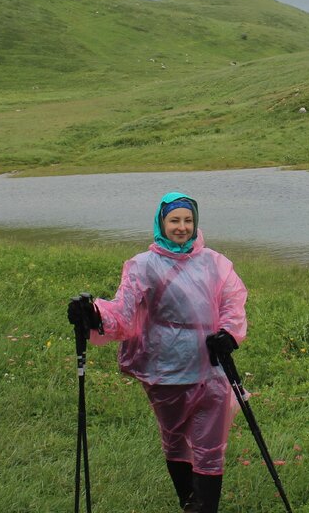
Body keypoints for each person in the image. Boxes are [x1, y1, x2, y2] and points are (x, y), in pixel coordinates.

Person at [68, 191, 248, 513]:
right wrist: (93, 313)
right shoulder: (143, 265)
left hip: (210, 366)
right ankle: (188, 501)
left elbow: (232, 300)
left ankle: (205, 508)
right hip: (164, 369)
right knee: (176, 440)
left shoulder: (214, 262)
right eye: (174, 220)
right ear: (161, 223)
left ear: (196, 224)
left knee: (210, 446)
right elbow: (122, 313)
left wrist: (229, 334)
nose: (182, 227)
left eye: (188, 220)